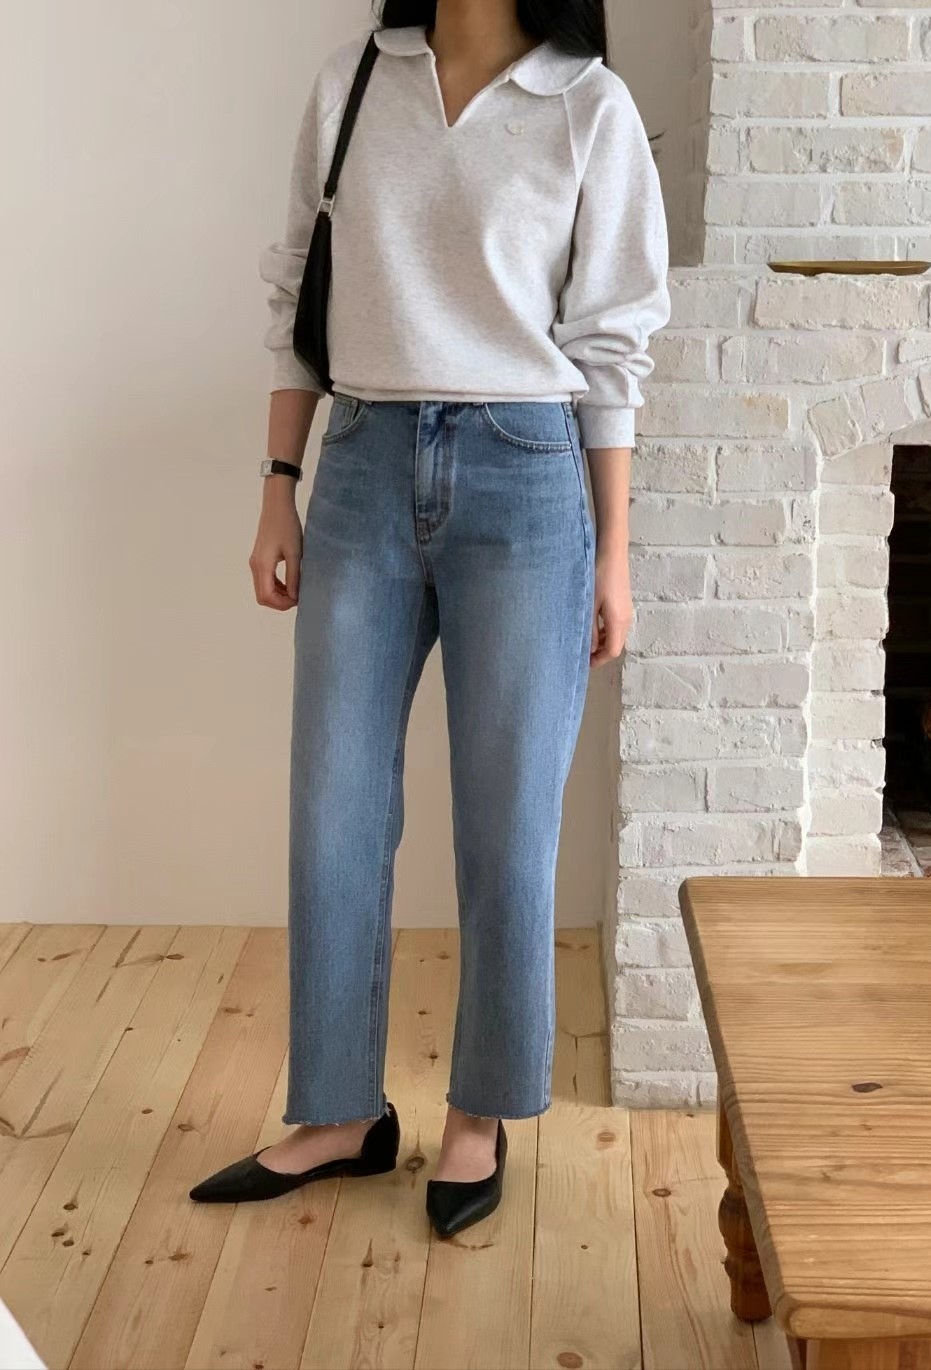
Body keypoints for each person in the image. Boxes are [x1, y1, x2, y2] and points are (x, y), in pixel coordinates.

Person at [190, 0, 670, 1238]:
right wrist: (278, 485)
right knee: (333, 806)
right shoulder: (356, 80)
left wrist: (614, 550)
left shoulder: (587, 104)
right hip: (358, 463)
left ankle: (479, 1111)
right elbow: (297, 291)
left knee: (508, 821)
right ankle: (339, 1110)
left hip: (527, 471)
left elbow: (613, 343)